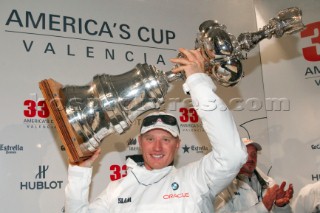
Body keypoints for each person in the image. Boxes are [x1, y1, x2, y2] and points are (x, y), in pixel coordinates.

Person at [64, 48, 248, 213]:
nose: (157, 147)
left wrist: (197, 83)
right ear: (140, 143)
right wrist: (79, 172)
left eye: (166, 140)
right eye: (150, 139)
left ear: (178, 145)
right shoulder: (118, 189)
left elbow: (232, 155)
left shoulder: (196, 179)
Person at [214, 138, 294, 213]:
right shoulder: (223, 186)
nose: (251, 158)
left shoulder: (270, 183)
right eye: (246, 154)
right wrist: (262, 207)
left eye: (254, 154)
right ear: (235, 157)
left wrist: (281, 206)